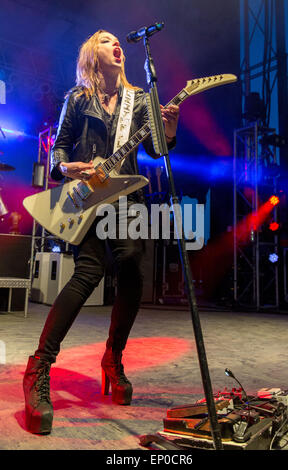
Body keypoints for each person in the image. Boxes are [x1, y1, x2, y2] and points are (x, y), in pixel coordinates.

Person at [23, 29, 179, 434]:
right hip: (88, 195)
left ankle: (113, 358)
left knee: (131, 264)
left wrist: (171, 128)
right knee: (88, 271)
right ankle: (39, 366)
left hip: (126, 196)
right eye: (107, 41)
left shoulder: (140, 99)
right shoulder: (77, 99)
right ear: (93, 54)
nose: (117, 47)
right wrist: (69, 167)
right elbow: (59, 149)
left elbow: (158, 150)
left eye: (119, 43)